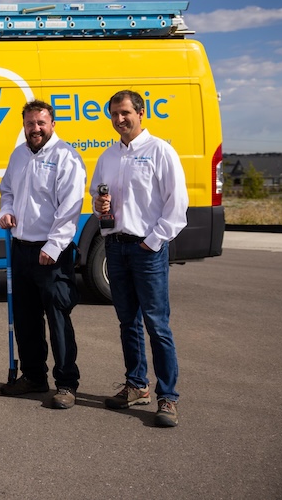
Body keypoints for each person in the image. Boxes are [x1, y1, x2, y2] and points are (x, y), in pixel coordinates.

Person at [91, 89, 188, 428]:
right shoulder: (108, 156)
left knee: (157, 325)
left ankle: (168, 397)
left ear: (141, 113)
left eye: (125, 113)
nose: (119, 120)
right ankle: (136, 385)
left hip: (146, 250)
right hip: (115, 247)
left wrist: (152, 243)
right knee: (127, 323)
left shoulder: (160, 151)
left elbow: (177, 207)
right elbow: (97, 197)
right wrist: (100, 207)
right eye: (114, 114)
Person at [0, 99, 86, 409]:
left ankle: (66, 383)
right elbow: (6, 190)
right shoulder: (19, 155)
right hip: (20, 249)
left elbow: (71, 207)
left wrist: (53, 246)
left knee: (58, 317)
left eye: (40, 123)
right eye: (30, 123)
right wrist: (6, 211)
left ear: (52, 124)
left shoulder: (66, 158)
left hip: (52, 253)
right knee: (26, 318)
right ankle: (34, 376)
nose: (35, 128)